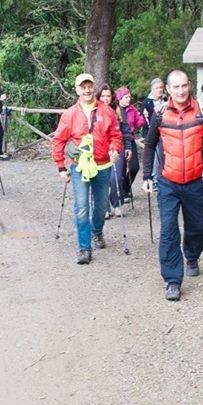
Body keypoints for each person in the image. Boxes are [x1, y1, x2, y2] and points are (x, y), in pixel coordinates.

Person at [142, 70, 203, 301]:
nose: (180, 91)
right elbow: (149, 147)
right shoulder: (159, 114)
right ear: (168, 89)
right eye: (175, 87)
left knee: (198, 227)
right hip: (168, 181)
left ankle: (192, 255)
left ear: (190, 86)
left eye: (184, 86)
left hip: (196, 180)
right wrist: (147, 176)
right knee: (168, 231)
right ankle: (173, 280)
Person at [51, 73, 123, 265]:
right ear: (77, 90)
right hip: (79, 167)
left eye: (90, 86)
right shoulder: (70, 114)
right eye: (83, 87)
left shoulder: (106, 110)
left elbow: (116, 135)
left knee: (100, 206)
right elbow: (58, 140)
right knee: (82, 208)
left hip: (103, 165)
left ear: (93, 87)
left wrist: (115, 149)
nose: (87, 90)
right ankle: (84, 248)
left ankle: (97, 231)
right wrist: (61, 167)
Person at [98, 85, 134, 218]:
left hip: (117, 147)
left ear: (112, 97)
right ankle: (105, 206)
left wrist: (128, 147)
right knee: (102, 180)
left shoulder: (118, 110)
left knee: (116, 177)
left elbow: (125, 130)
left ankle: (117, 203)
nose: (106, 99)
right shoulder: (95, 110)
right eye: (103, 96)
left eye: (108, 96)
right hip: (100, 149)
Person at [116, 87, 144, 198]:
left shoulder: (132, 109)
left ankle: (126, 187)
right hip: (118, 141)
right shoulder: (115, 109)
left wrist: (142, 117)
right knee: (121, 168)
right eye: (126, 97)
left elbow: (138, 123)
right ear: (120, 98)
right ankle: (123, 191)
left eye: (129, 97)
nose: (128, 99)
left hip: (130, 140)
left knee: (134, 167)